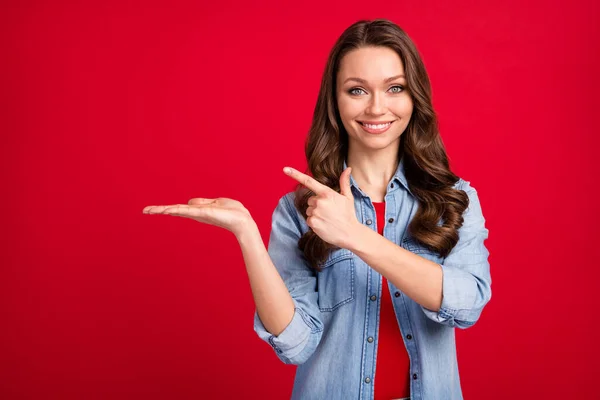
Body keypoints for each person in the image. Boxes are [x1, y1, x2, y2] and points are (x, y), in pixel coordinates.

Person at [142, 18, 491, 400]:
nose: (377, 108)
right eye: (357, 90)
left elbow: (467, 303)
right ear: (335, 101)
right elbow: (296, 343)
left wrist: (356, 236)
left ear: (414, 97)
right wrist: (247, 235)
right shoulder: (299, 212)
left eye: (395, 88)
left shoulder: (454, 200)